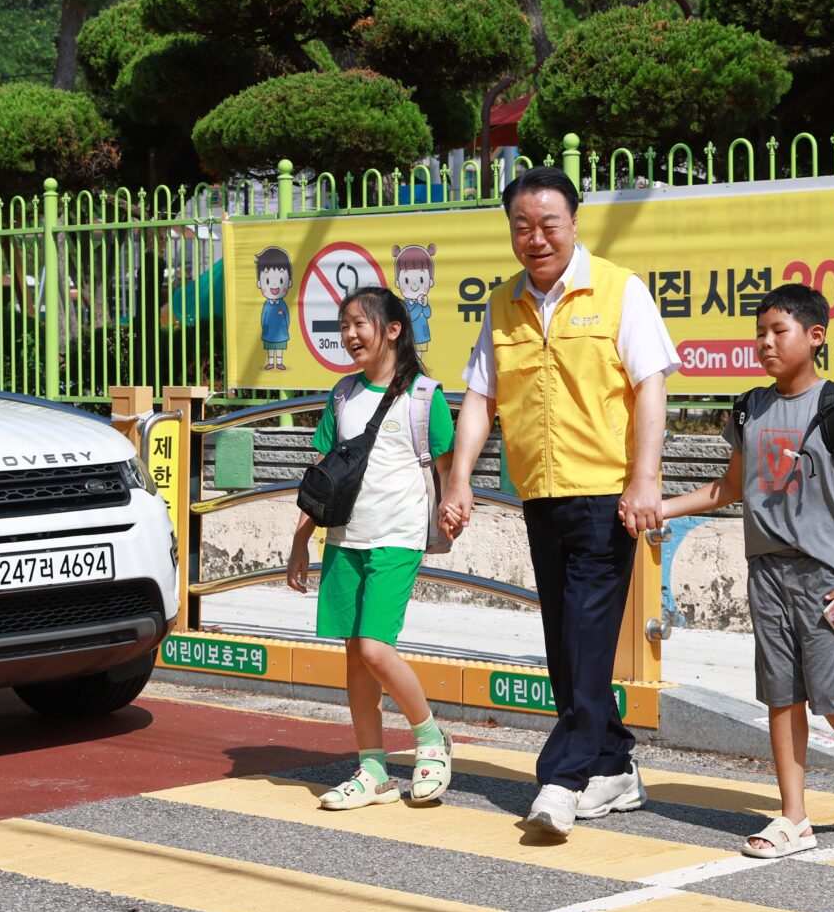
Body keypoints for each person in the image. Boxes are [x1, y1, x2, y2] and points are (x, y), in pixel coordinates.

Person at [440, 167, 679, 837]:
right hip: (541, 495)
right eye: (522, 226)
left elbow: (651, 386)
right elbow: (481, 398)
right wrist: (459, 479)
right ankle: (614, 761)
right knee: (566, 642)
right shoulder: (503, 304)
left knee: (585, 635)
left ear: (575, 223)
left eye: (548, 223)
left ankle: (564, 777)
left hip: (605, 495)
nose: (536, 237)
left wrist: (645, 477)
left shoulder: (620, 290)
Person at [660, 283, 834, 858]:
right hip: (765, 570)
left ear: (815, 337)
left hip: (828, 577)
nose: (765, 343)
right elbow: (730, 487)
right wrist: (659, 508)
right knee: (781, 693)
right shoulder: (749, 407)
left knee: (831, 692)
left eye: (778, 331)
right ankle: (794, 817)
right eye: (759, 333)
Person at [287, 287, 457, 809]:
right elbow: (321, 475)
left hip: (397, 538)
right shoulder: (342, 395)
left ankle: (431, 738)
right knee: (355, 659)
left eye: (359, 324)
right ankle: (373, 770)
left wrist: (454, 509)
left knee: (374, 649)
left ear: (393, 330)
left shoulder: (424, 397)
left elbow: (449, 472)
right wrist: (301, 539)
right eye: (344, 326)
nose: (349, 335)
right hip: (344, 539)